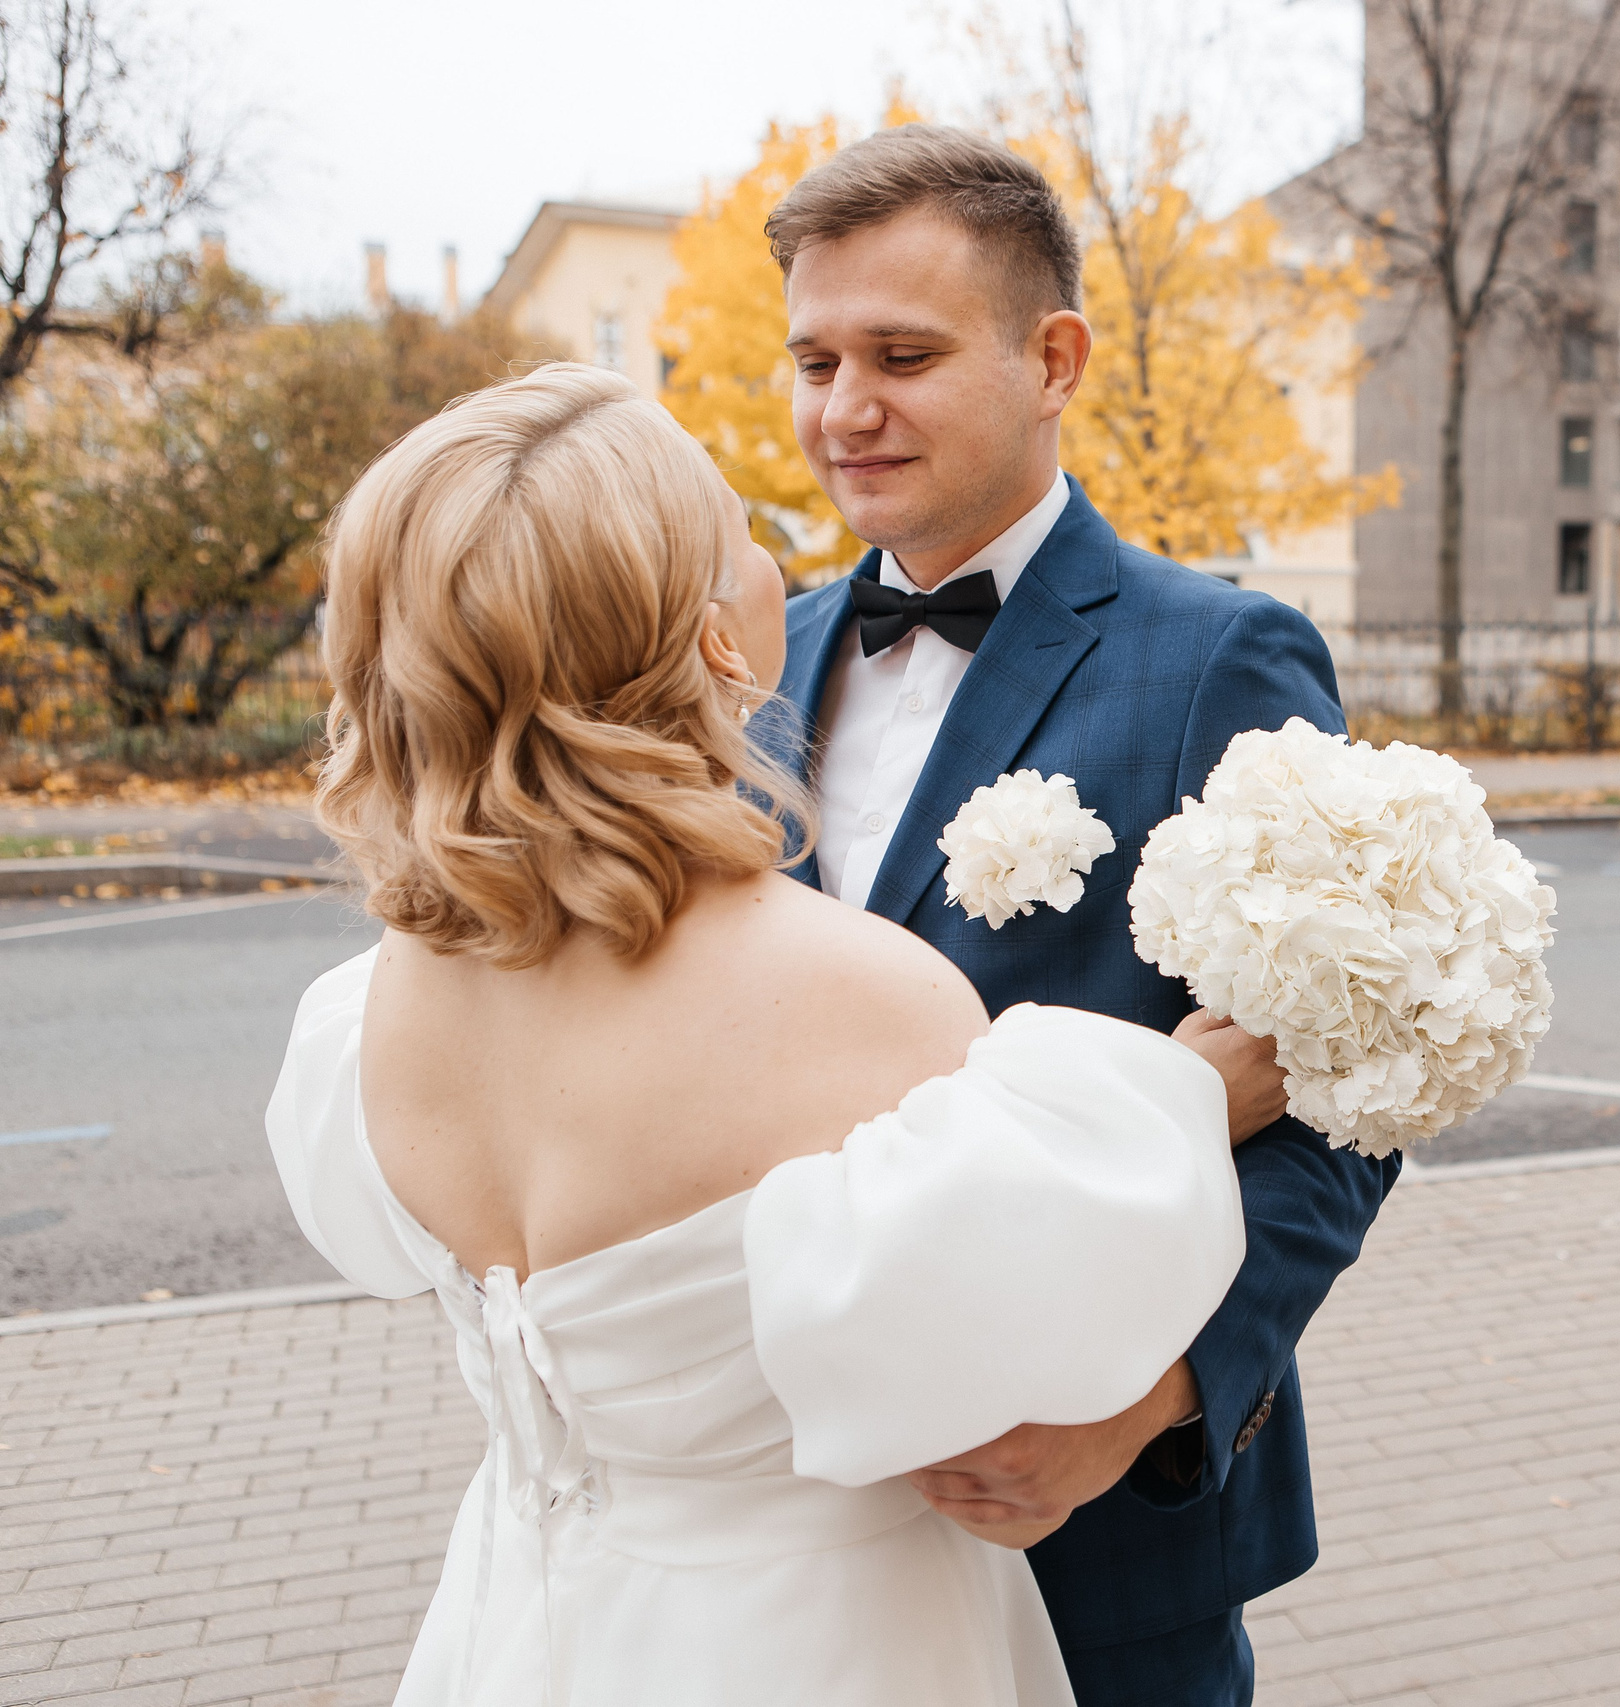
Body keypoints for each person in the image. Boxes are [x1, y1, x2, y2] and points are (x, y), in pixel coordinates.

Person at [267, 361, 1292, 1705]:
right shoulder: (870, 999)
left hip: (523, 1625)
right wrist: (1178, 1098)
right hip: (832, 1639)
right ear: (713, 644)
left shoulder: (374, 1010)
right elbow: (999, 1326)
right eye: (742, 531)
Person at [761, 124, 1397, 1706]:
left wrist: (1145, 1406)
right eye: (816, 360)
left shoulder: (1220, 657)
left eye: (902, 355)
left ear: (1053, 360)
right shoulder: (755, 661)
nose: (845, 409)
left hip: (1095, 1530)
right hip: (795, 1517)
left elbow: (1347, 1099)